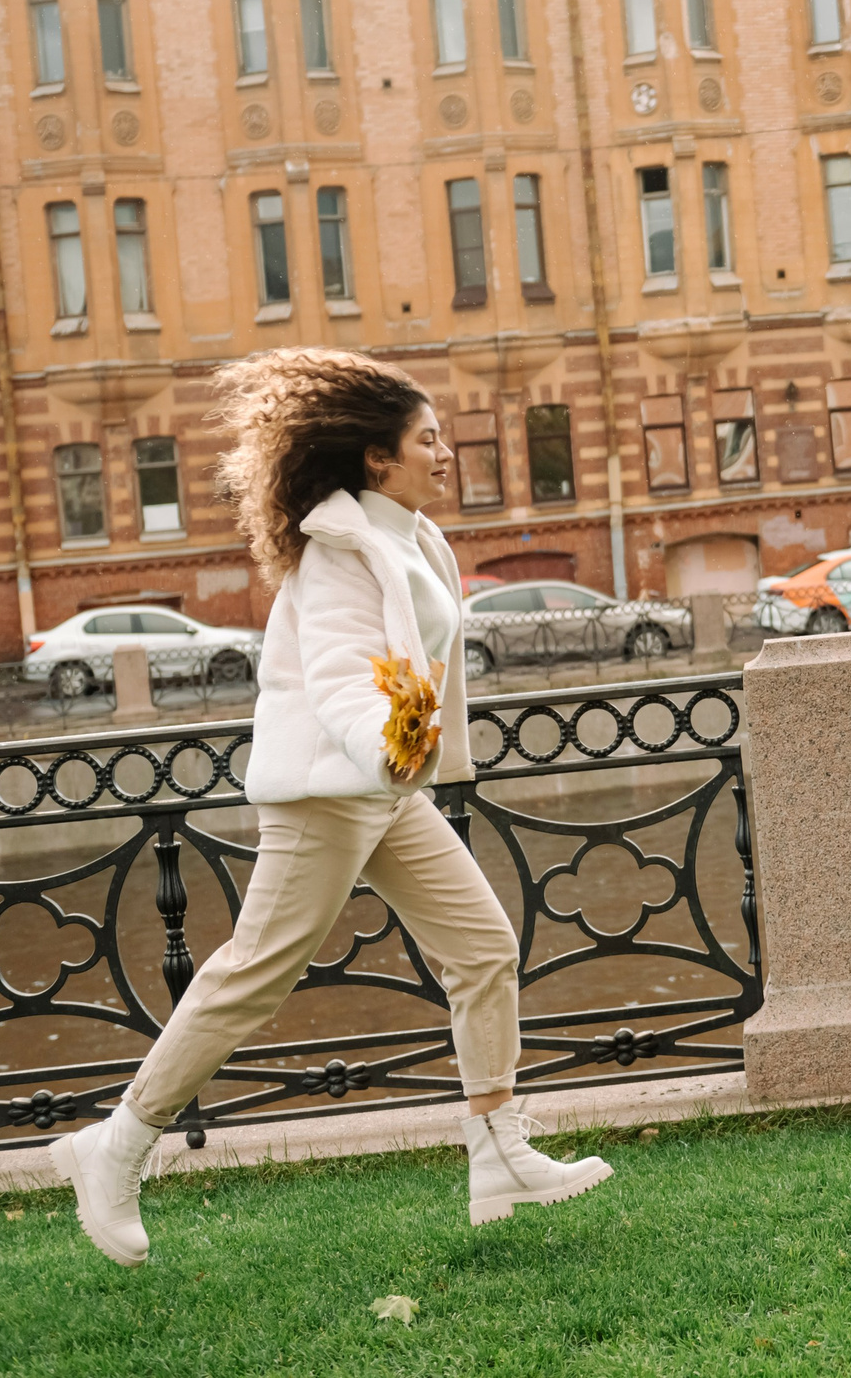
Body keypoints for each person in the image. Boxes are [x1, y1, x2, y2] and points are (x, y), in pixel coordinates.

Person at [50, 349, 611, 1265]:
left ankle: (496, 1151)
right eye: (428, 440)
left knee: (481, 947)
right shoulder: (340, 551)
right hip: (330, 791)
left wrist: (406, 762)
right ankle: (115, 1147)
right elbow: (343, 676)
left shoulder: (408, 535)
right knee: (254, 974)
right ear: (378, 458)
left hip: (381, 793)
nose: (445, 454)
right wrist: (389, 745)